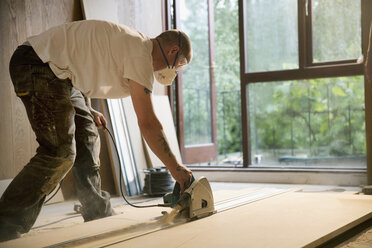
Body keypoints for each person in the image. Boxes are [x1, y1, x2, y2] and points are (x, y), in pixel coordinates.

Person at [0, 19, 193, 242]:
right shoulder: (141, 54)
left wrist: (89, 108)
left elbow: (80, 63)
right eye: (179, 65)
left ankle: (96, 210)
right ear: (173, 50)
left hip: (60, 73)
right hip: (38, 63)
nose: (176, 71)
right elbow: (147, 122)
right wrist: (176, 169)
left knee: (87, 135)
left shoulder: (134, 45)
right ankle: (6, 221)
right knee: (59, 152)